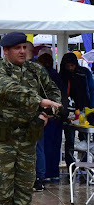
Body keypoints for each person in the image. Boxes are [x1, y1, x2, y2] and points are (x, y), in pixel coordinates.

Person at [0, 32, 61, 205]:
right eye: (17, 48)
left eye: (24, 47)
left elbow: (55, 96)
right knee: (2, 182)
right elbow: (9, 90)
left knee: (25, 183)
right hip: (4, 137)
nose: (22, 51)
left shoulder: (35, 70)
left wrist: (47, 114)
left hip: (28, 137)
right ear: (6, 51)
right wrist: (39, 101)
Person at [59, 52, 90, 169]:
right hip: (68, 113)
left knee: (84, 140)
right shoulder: (62, 76)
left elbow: (90, 91)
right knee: (69, 139)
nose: (70, 68)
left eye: (72, 65)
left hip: (83, 110)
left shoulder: (83, 73)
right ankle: (71, 165)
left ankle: (84, 164)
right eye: (68, 66)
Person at [37, 52, 63, 183]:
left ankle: (45, 173)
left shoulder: (41, 76)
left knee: (44, 146)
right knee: (55, 145)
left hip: (46, 113)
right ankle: (55, 173)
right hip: (57, 114)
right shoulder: (56, 75)